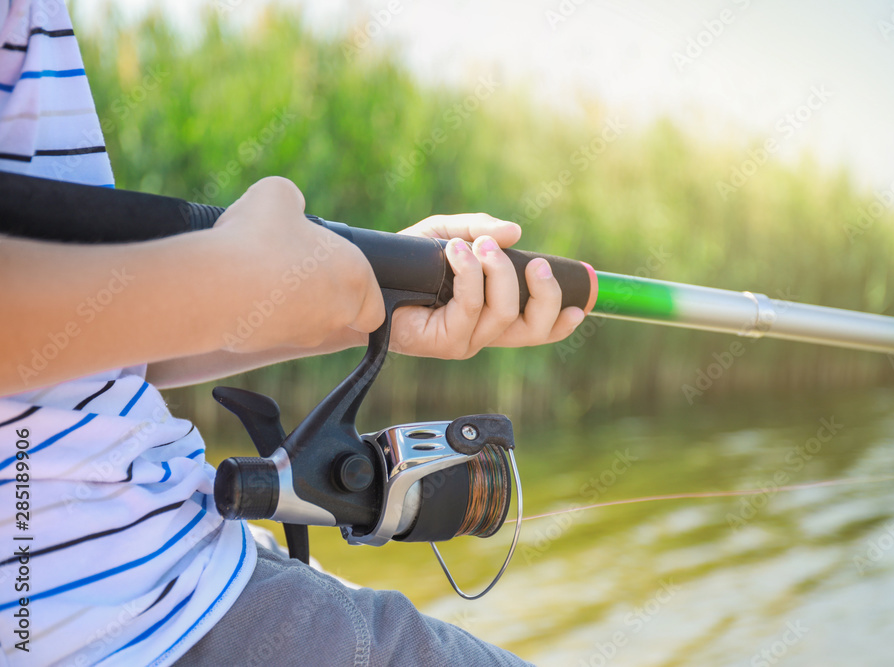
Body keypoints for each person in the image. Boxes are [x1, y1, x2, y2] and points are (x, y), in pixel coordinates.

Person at [0, 0, 584, 664]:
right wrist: (234, 280)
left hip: (177, 569)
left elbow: (75, 347)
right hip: (134, 618)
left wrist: (371, 301)